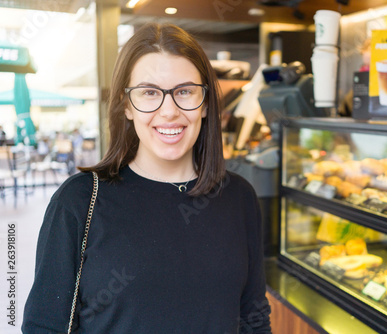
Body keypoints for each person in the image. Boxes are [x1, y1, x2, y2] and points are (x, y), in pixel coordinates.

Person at [22, 23, 271, 333]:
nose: (169, 111)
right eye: (150, 93)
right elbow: (44, 326)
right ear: (127, 105)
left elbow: (254, 319)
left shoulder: (239, 197)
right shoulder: (79, 201)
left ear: (205, 103)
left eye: (184, 91)